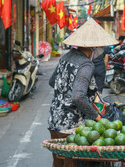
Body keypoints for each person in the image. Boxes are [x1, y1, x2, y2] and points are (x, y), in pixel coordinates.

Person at [48, 18, 118, 167]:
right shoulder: (86, 65)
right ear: (92, 48)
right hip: (70, 124)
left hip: (54, 119)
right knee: (71, 163)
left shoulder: (66, 57)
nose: (99, 51)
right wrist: (96, 116)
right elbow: (78, 97)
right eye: (98, 47)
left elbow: (52, 81)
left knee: (58, 162)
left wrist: (65, 88)